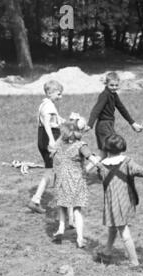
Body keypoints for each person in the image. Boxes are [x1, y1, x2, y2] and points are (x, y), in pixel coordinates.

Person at [95, 134, 143, 267]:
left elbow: (100, 177)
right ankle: (108, 253)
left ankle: (134, 262)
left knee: (122, 230)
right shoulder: (127, 161)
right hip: (125, 201)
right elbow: (139, 170)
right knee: (116, 227)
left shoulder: (101, 166)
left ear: (106, 148)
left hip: (112, 203)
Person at [51, 118, 99, 247]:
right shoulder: (80, 145)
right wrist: (98, 164)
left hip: (60, 179)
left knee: (62, 205)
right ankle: (79, 238)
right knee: (77, 209)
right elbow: (92, 158)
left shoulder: (59, 146)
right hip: (76, 181)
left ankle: (60, 229)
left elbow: (54, 158)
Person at [27, 80, 65, 214]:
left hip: (43, 138)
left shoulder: (45, 104)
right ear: (50, 93)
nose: (60, 97)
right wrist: (51, 141)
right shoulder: (48, 106)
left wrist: (71, 121)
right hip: (49, 138)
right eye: (58, 94)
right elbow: (48, 125)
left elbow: (58, 120)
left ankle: (36, 200)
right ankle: (58, 198)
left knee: (50, 170)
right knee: (57, 169)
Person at [86, 72, 143, 160]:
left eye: (116, 85)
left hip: (109, 125)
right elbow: (96, 110)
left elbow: (122, 109)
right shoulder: (104, 95)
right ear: (106, 84)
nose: (114, 87)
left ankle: (97, 171)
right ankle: (89, 171)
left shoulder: (113, 95)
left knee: (105, 153)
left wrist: (132, 123)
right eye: (111, 85)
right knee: (111, 149)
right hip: (103, 126)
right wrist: (90, 124)